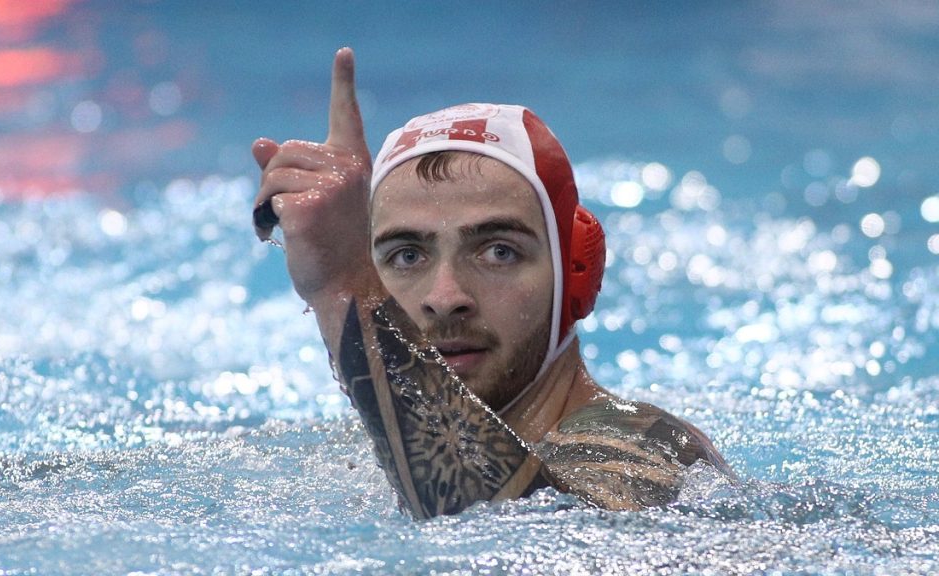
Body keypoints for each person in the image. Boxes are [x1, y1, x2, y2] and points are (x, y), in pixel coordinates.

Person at [251, 48, 732, 519]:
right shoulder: (347, 460)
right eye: (407, 256)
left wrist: (344, 285)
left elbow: (538, 534)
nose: (445, 298)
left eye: (499, 252)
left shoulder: (649, 446)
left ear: (575, 274)